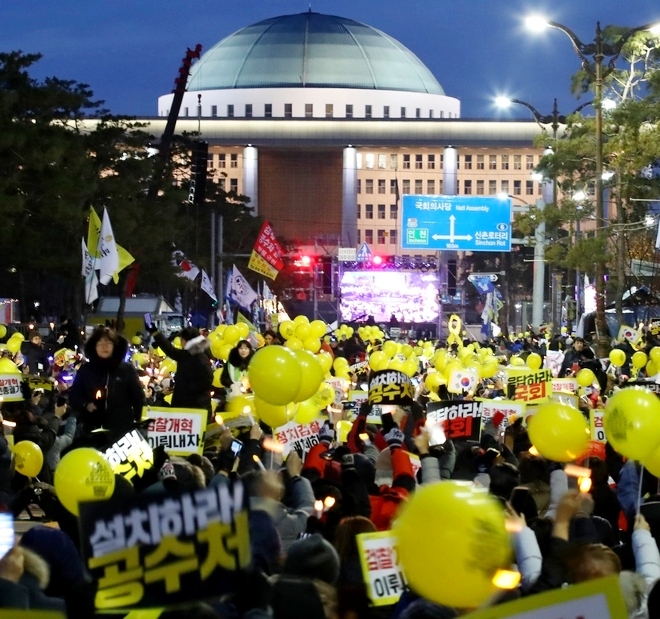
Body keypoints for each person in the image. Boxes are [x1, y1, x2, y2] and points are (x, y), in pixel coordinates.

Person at [68, 327, 145, 443]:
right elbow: (74, 395)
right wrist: (86, 405)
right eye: (100, 343)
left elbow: (139, 399)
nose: (105, 346)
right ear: (94, 346)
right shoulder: (86, 370)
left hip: (122, 430)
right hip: (92, 429)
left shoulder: (126, 369)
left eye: (108, 343)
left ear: (115, 346)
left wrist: (143, 423)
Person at [149, 326, 213, 412]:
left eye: (181, 339)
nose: (180, 342)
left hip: (195, 408)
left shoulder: (199, 358)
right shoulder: (188, 355)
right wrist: (153, 330)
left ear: (186, 341)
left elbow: (207, 379)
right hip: (191, 407)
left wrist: (186, 388)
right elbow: (169, 349)